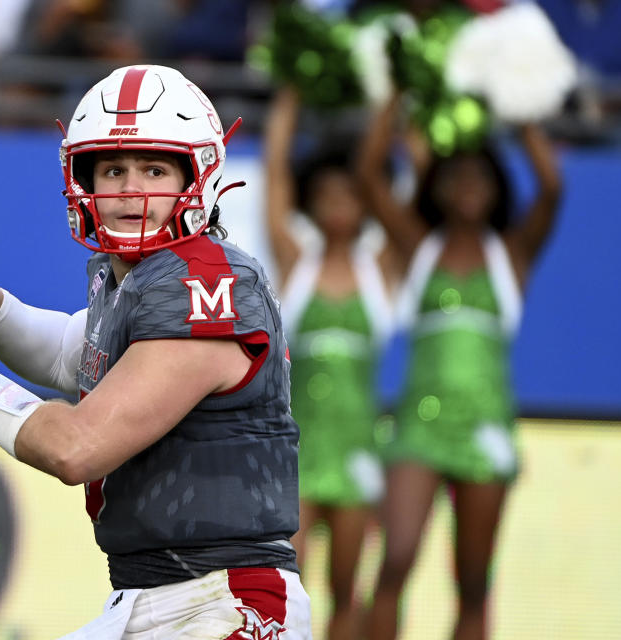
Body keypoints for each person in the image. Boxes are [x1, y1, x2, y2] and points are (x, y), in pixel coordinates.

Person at [0, 64, 313, 639]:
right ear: (83, 179)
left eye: (154, 168)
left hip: (223, 600)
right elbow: (68, 357)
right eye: (113, 169)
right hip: (151, 596)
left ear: (197, 176)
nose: (131, 189)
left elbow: (75, 448)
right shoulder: (132, 278)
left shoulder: (205, 282)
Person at [357, 95, 562, 640]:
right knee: (394, 562)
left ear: (497, 190)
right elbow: (370, 174)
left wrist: (519, 101)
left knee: (472, 582)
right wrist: (398, 96)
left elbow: (553, 187)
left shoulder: (512, 254)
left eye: (480, 178)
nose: (468, 187)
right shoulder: (418, 247)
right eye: (456, 178)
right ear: (436, 190)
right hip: (418, 429)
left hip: (486, 428)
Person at [264, 86, 397, 640]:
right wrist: (293, 92)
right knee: (289, 589)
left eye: (351, 192)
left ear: (368, 201)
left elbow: (407, 189)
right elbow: (273, 174)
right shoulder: (296, 264)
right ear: (310, 203)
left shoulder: (383, 271)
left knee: (348, 592)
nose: (339, 202)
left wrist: (395, 99)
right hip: (297, 457)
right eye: (326, 193)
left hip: (359, 456)